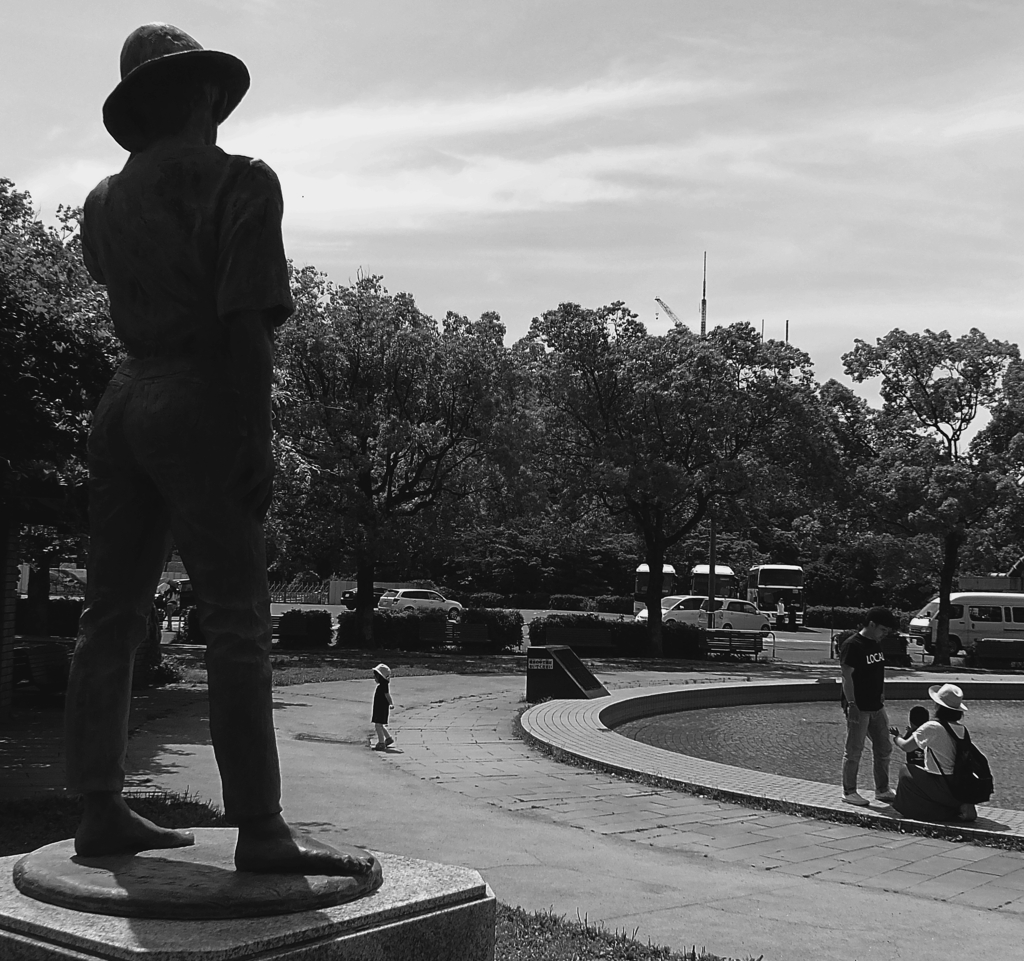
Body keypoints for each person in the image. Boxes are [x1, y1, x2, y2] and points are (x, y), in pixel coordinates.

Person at [65, 23, 377, 878]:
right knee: (238, 619)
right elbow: (245, 318)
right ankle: (263, 827)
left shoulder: (101, 201)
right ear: (202, 93)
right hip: (199, 396)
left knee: (110, 615)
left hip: (122, 401)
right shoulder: (242, 181)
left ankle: (99, 806)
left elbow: (115, 278)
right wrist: (256, 432)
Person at [839, 607, 899, 806]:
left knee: (884, 747)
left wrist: (882, 693)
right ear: (871, 624)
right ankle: (849, 791)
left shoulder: (875, 644)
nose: (884, 634)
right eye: (882, 629)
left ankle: (882, 789)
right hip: (859, 706)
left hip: (876, 705)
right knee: (854, 750)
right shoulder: (853, 645)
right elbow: (846, 677)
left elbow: (878, 671)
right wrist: (852, 704)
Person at [892, 683, 978, 822]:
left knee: (905, 770)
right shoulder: (962, 729)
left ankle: (923, 810)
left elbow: (906, 747)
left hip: (943, 786)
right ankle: (957, 806)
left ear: (938, 706)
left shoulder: (932, 727)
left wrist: (897, 738)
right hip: (961, 787)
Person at [892, 705, 930, 769]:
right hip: (927, 766)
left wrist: (897, 736)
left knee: (904, 769)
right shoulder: (929, 733)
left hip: (913, 765)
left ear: (911, 722)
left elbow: (904, 744)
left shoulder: (911, 734)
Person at [371, 664, 395, 751]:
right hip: (379, 707)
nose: (374, 678)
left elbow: (387, 695)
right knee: (380, 724)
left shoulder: (383, 686)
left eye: (376, 676)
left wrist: (391, 703)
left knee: (378, 725)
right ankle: (388, 738)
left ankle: (381, 742)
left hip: (381, 708)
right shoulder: (381, 686)